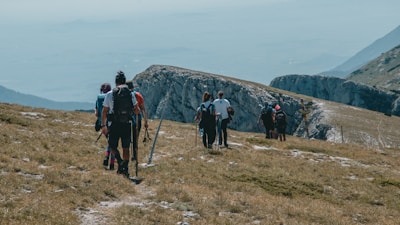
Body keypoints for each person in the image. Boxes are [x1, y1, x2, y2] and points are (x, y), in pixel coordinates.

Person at [101, 71, 139, 178]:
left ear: (116, 82)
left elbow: (104, 111)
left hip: (114, 123)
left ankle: (120, 161)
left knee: (112, 145)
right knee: (126, 147)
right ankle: (125, 168)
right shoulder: (130, 94)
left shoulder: (110, 94)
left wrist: (103, 125)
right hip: (126, 123)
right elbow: (137, 110)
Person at [126, 80, 149, 161]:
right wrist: (146, 121)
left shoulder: (125, 95)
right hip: (137, 119)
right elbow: (143, 109)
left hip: (127, 119)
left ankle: (127, 155)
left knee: (127, 138)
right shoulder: (138, 95)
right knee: (135, 138)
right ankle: (134, 155)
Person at [95, 83, 115, 170]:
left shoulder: (99, 98)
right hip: (111, 122)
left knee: (110, 141)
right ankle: (111, 163)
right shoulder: (111, 96)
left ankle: (107, 157)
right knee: (113, 143)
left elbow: (97, 113)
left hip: (102, 123)